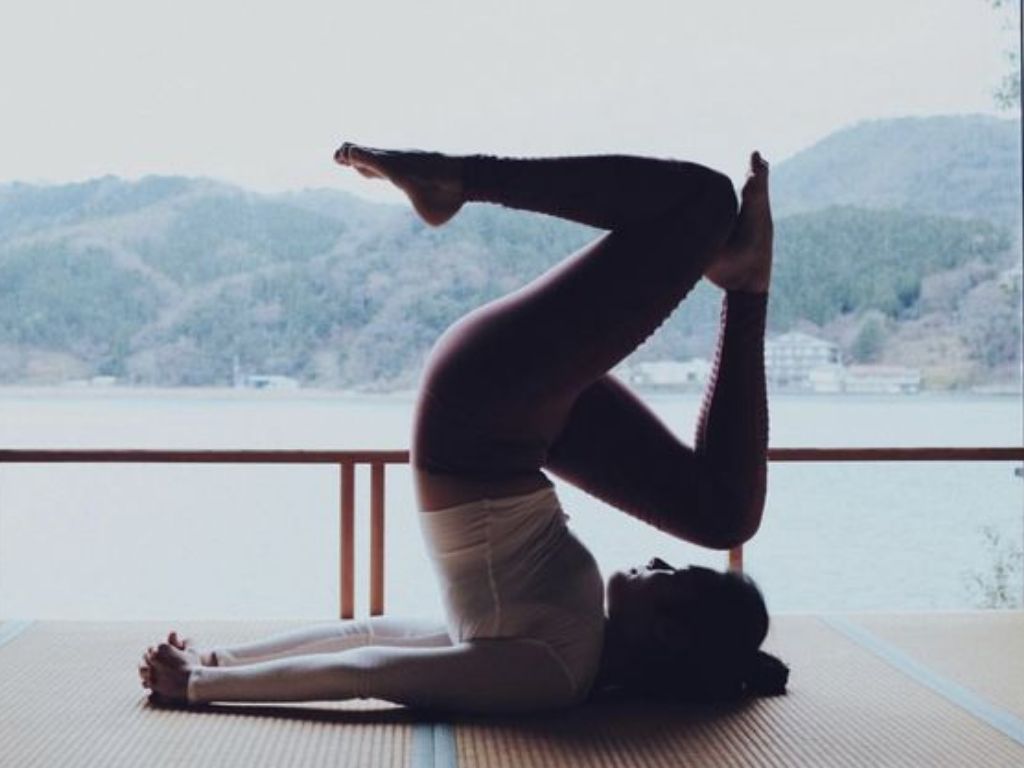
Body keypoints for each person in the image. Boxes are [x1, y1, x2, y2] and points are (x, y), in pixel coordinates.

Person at [139, 144, 789, 713]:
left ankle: (459, 180)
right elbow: (370, 634)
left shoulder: (555, 673)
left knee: (703, 201)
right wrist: (217, 659)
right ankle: (743, 284)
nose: (656, 560)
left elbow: (370, 669)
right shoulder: (578, 640)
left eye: (674, 576)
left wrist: (199, 686)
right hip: (510, 421)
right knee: (724, 514)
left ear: (669, 633)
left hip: (482, 408)